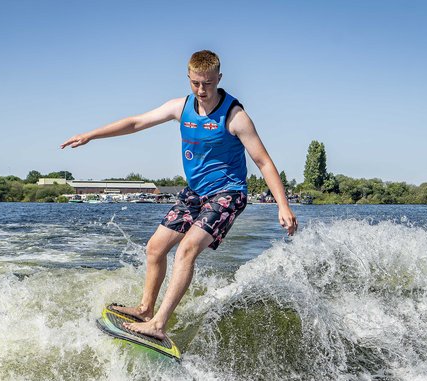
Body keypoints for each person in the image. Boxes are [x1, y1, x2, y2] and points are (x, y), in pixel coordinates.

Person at [61, 50, 298, 341]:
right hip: (195, 193)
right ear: (189, 78)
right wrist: (91, 135)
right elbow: (136, 122)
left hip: (228, 193)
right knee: (155, 248)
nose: (202, 90)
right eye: (196, 83)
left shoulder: (235, 116)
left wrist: (282, 206)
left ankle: (159, 324)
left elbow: (263, 161)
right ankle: (146, 309)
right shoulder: (180, 107)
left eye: (208, 83)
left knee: (186, 249)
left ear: (219, 79)